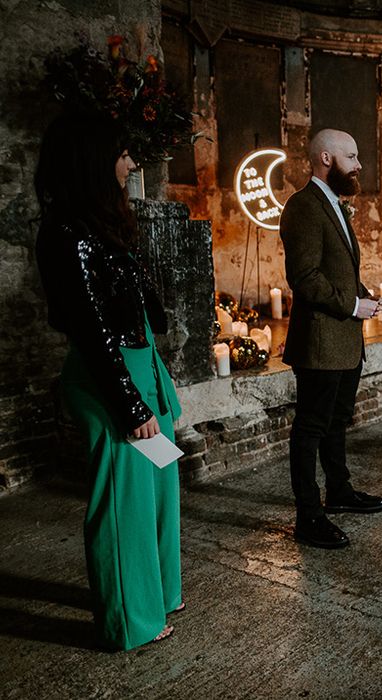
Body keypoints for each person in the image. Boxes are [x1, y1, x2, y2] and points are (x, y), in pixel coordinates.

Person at [35, 112, 183, 650]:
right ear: (96, 159)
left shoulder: (101, 222)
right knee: (125, 504)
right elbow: (92, 331)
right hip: (110, 379)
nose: (132, 163)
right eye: (122, 154)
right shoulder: (64, 232)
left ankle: (160, 592)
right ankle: (132, 620)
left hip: (142, 367)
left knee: (161, 484)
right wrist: (129, 405)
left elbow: (139, 306)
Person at [279, 128, 382, 549]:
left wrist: (364, 297)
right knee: (310, 428)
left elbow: (338, 272)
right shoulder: (304, 207)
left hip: (345, 342)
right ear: (326, 158)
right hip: (321, 342)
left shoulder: (337, 206)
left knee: (337, 422)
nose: (359, 165)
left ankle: (339, 491)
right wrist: (350, 306)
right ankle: (308, 515)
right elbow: (304, 277)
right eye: (353, 157)